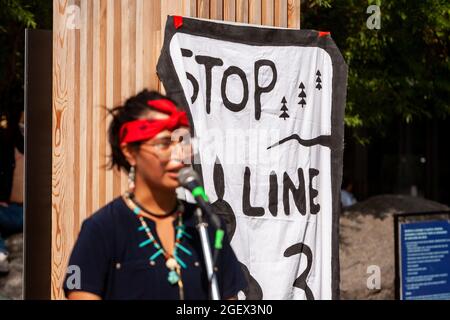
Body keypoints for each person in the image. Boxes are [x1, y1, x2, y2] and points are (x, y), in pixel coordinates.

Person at [64, 90, 246, 300]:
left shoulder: (207, 225)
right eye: (164, 143)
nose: (179, 154)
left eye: (183, 141)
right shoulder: (101, 229)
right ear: (130, 152)